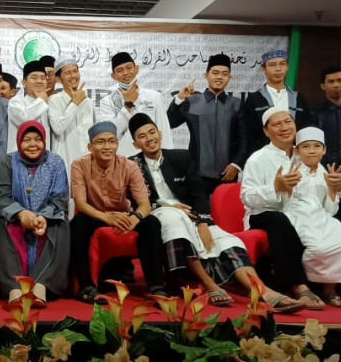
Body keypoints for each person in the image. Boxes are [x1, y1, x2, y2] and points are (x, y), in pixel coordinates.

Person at [127, 113, 304, 312]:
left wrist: (204, 222)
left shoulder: (181, 157)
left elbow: (199, 194)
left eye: (152, 132)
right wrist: (166, 207)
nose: (149, 138)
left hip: (192, 217)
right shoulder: (132, 165)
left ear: (160, 134)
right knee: (174, 219)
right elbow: (133, 203)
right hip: (160, 216)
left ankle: (262, 291)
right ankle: (209, 284)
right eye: (142, 136)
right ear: (135, 144)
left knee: (226, 241)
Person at [69, 121, 167, 304]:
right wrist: (106, 217)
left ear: (117, 144)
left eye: (112, 141)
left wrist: (134, 219)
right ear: (90, 147)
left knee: (152, 223)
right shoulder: (79, 165)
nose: (107, 146)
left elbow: (144, 204)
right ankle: (86, 287)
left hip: (123, 216)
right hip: (95, 216)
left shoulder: (129, 165)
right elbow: (81, 204)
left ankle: (156, 287)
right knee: (78, 222)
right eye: (100, 142)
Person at [240, 107, 326, 310]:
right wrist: (275, 188)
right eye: (277, 124)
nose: (284, 127)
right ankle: (297, 285)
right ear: (266, 131)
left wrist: (335, 187)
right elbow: (247, 197)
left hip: (298, 212)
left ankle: (340, 286)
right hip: (262, 213)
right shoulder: (258, 159)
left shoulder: (304, 153)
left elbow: (321, 186)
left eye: (288, 122)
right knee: (279, 219)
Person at [284, 127, 341, 309]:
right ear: (296, 150)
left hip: (322, 216)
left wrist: (332, 189)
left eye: (316, 146)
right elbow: (282, 202)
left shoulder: (327, 173)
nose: (312, 151)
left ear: (324, 149)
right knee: (319, 248)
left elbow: (331, 209)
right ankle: (326, 289)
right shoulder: (290, 170)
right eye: (306, 146)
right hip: (297, 216)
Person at [0, 121, 70, 304]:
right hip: (15, 219)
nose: (33, 144)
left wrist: (43, 217)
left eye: (37, 139)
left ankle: (41, 285)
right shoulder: (7, 162)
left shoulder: (56, 163)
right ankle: (14, 288)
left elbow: (60, 199)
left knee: (61, 224)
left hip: (46, 219)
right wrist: (20, 214)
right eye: (27, 140)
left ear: (44, 141)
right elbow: (0, 198)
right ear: (19, 142)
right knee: (0, 223)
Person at [167, 53, 244, 194]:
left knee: (224, 208)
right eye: (215, 73)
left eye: (224, 74)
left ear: (229, 77)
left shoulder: (236, 105)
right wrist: (179, 99)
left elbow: (245, 139)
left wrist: (236, 165)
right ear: (206, 75)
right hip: (196, 175)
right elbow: (170, 123)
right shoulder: (192, 102)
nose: (219, 77)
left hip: (227, 174)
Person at [238, 50, 311, 164]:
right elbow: (248, 135)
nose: (278, 69)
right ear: (264, 69)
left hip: (295, 159)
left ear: (287, 67)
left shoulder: (299, 100)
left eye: (282, 64)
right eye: (272, 65)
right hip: (263, 160)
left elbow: (306, 130)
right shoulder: (254, 100)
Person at [97, 51, 173, 157]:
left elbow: (163, 130)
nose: (125, 73)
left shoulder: (154, 96)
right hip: (122, 159)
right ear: (113, 76)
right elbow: (109, 135)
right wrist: (128, 104)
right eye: (120, 70)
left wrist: (168, 158)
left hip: (151, 158)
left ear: (136, 69)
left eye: (129, 68)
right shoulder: (106, 101)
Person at [48, 58, 93, 174]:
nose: (73, 76)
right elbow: (58, 128)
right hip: (64, 163)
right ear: (58, 79)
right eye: (68, 72)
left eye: (75, 71)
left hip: (88, 163)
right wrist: (75, 103)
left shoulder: (88, 102)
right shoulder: (54, 100)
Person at [8, 60, 51, 153]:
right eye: (34, 78)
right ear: (24, 82)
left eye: (43, 78)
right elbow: (25, 120)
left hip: (44, 156)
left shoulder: (48, 104)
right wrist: (41, 100)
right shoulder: (15, 102)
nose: (39, 81)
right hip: (20, 156)